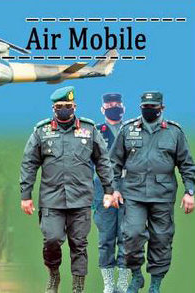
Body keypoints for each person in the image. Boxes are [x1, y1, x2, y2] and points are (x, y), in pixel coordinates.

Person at [20, 86, 114, 293]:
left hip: (81, 199)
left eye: (68, 106)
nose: (64, 109)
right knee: (52, 240)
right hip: (51, 200)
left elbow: (103, 161)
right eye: (60, 106)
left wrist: (109, 190)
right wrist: (25, 196)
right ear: (53, 108)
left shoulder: (89, 130)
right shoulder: (41, 131)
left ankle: (78, 286)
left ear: (75, 107)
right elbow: (29, 163)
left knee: (79, 244)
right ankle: (54, 275)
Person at [108, 91, 195, 293]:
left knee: (162, 240)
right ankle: (136, 276)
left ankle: (155, 283)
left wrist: (189, 191)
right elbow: (113, 162)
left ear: (161, 108)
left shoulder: (174, 132)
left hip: (163, 195)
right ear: (140, 108)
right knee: (131, 235)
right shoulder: (128, 130)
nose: (148, 110)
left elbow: (187, 165)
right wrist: (112, 189)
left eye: (153, 107)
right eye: (145, 107)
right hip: (134, 194)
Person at [93, 93, 129, 293]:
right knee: (106, 237)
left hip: (129, 188)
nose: (113, 107)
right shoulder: (96, 132)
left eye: (117, 104)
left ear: (123, 107)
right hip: (103, 190)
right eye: (109, 104)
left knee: (127, 236)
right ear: (102, 109)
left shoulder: (133, 130)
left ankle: (123, 283)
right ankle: (108, 283)